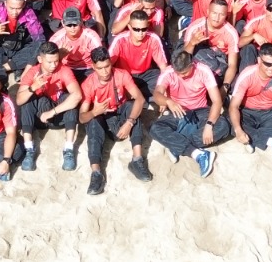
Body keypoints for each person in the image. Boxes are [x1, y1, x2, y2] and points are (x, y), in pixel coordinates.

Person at [78, 47, 151, 194]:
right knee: (92, 121)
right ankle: (96, 173)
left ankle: (137, 160)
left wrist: (129, 122)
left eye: (107, 66)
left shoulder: (121, 75)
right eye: (100, 68)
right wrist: (94, 111)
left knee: (133, 107)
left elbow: (140, 99)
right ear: (93, 67)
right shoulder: (88, 84)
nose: (105, 72)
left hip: (120, 113)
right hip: (103, 119)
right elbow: (81, 117)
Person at [149, 50, 230, 178]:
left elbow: (216, 101)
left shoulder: (203, 71)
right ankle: (197, 153)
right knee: (155, 129)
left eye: (185, 73)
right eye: (178, 73)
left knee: (223, 125)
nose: (181, 76)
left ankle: (176, 144)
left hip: (201, 111)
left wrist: (209, 125)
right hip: (179, 111)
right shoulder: (168, 73)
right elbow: (157, 94)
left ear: (192, 64)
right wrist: (168, 101)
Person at [13, 41, 82, 172]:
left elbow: (77, 95)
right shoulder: (32, 72)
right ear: (40, 59)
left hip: (56, 115)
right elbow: (19, 100)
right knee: (27, 100)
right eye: (49, 62)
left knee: (70, 100)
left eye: (56, 61)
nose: (53, 65)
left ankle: (68, 149)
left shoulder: (64, 70)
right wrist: (33, 88)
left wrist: (52, 112)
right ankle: (29, 149)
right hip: (38, 118)